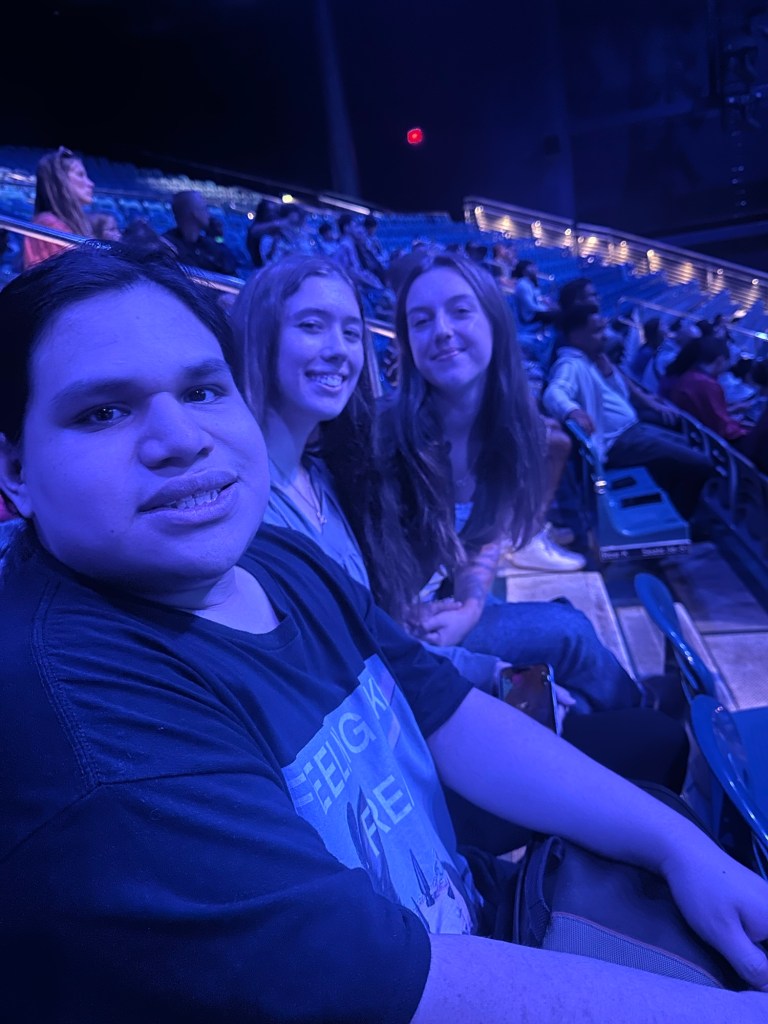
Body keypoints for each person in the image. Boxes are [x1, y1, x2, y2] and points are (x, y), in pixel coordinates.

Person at [2, 243, 767, 1024]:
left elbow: (448, 714)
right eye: (102, 412)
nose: (180, 437)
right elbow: (390, 986)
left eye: (202, 389)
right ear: (15, 469)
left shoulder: (273, 556)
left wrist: (684, 850)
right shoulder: (77, 712)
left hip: (466, 919)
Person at [229, 253, 690, 847]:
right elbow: (368, 645)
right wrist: (486, 671)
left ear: (495, 321)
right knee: (581, 652)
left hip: (415, 654)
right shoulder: (358, 452)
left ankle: (619, 720)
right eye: (421, 320)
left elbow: (476, 543)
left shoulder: (324, 480)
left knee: (573, 656)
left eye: (349, 331)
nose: (442, 332)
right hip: (404, 694)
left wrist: (472, 607)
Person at [543, 303, 714, 521]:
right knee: (700, 463)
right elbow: (553, 393)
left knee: (686, 444)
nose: (605, 336)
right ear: (575, 336)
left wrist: (608, 373)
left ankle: (667, 513)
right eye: (597, 331)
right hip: (619, 441)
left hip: (632, 431)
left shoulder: (592, 360)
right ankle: (679, 520)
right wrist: (573, 411)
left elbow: (621, 395)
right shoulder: (570, 364)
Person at [662, 334, 768, 473]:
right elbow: (723, 428)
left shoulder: (689, 377)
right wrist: (744, 430)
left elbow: (709, 415)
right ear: (719, 360)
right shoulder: (707, 384)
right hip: (731, 453)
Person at [22, 146, 95, 269]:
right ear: (61, 180)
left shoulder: (67, 223)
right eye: (80, 175)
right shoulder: (48, 223)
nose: (91, 184)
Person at [162, 189, 239, 276]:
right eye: (204, 208)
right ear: (195, 214)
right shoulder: (168, 247)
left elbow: (229, 267)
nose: (209, 214)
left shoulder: (206, 243)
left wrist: (218, 237)